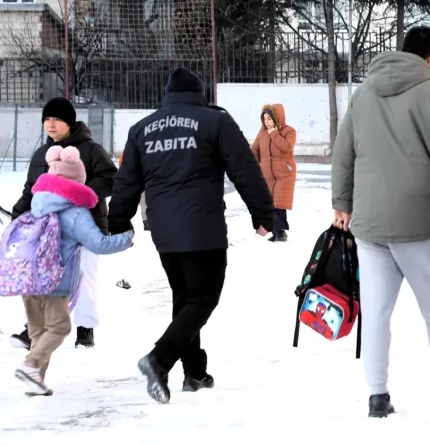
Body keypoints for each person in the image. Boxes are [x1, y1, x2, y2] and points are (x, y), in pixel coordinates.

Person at [331, 26, 430, 418]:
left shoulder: (363, 93)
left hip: (370, 222)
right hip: (420, 220)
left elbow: (344, 152)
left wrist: (342, 202)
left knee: (376, 309)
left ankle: (378, 395)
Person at [107, 67, 275, 404]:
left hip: (164, 231)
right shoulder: (215, 121)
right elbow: (244, 168)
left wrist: (119, 220)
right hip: (203, 229)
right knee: (203, 298)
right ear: (199, 93)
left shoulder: (142, 129)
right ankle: (159, 360)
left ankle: (194, 372)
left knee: (185, 297)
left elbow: (126, 182)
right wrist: (263, 213)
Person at [14, 146, 133, 396]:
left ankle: (36, 381)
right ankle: (31, 365)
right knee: (60, 328)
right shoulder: (75, 211)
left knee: (39, 332)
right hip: (54, 282)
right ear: (78, 180)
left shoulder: (38, 203)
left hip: (30, 279)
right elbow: (98, 243)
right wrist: (126, 238)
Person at [9, 97, 115, 351]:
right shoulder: (40, 155)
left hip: (85, 227)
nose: (51, 124)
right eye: (46, 119)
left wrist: (77, 193)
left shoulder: (91, 150)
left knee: (84, 277)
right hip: (48, 231)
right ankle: (33, 328)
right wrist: (18, 213)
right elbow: (32, 190)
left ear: (69, 122)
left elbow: (111, 178)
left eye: (57, 119)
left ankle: (85, 329)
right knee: (40, 278)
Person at [251, 103, 297, 242]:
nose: (266, 122)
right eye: (264, 119)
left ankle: (280, 233)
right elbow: (254, 149)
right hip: (268, 173)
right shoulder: (262, 133)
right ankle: (278, 232)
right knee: (271, 203)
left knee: (279, 203)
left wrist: (274, 133)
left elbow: (286, 147)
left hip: (284, 173)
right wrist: (259, 164)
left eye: (269, 118)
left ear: (277, 118)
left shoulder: (289, 131)